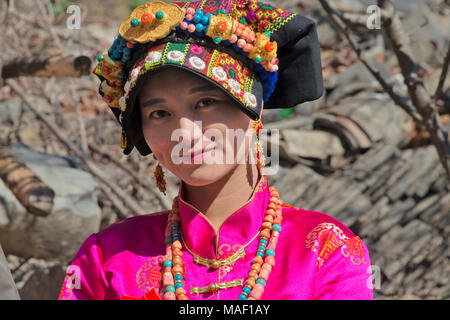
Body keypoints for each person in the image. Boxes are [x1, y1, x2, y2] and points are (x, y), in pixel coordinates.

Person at [58, 0, 373, 300]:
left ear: (255, 108)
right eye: (159, 114)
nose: (185, 133)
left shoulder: (326, 251)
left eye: (205, 103)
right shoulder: (107, 259)